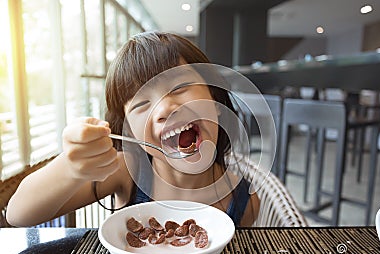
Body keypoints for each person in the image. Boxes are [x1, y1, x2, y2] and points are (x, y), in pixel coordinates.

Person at [6, 31, 260, 227]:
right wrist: (72, 167)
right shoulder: (126, 171)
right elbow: (18, 215)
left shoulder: (243, 201)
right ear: (131, 133)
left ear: (215, 100)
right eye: (141, 104)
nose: (164, 109)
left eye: (179, 87)